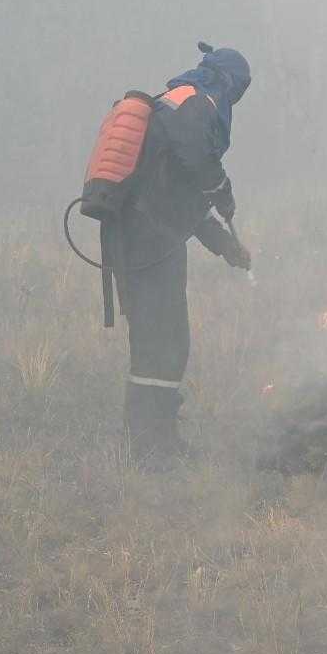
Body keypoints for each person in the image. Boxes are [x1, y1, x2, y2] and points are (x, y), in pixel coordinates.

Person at [102, 42, 252, 464]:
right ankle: (150, 445)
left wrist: (226, 245)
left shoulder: (176, 106)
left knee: (160, 337)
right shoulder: (194, 104)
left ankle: (153, 438)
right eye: (238, 90)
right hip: (148, 238)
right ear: (228, 81)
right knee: (162, 340)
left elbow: (181, 198)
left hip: (142, 234)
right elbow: (197, 164)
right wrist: (222, 190)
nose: (234, 99)